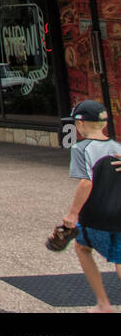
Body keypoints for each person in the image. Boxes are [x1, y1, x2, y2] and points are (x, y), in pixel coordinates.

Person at [60, 100, 121, 312]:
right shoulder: (117, 148)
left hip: (96, 215)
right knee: (119, 256)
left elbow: (86, 182)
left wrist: (72, 213)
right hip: (119, 214)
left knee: (82, 247)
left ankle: (104, 304)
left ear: (80, 124)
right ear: (104, 124)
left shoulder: (81, 148)